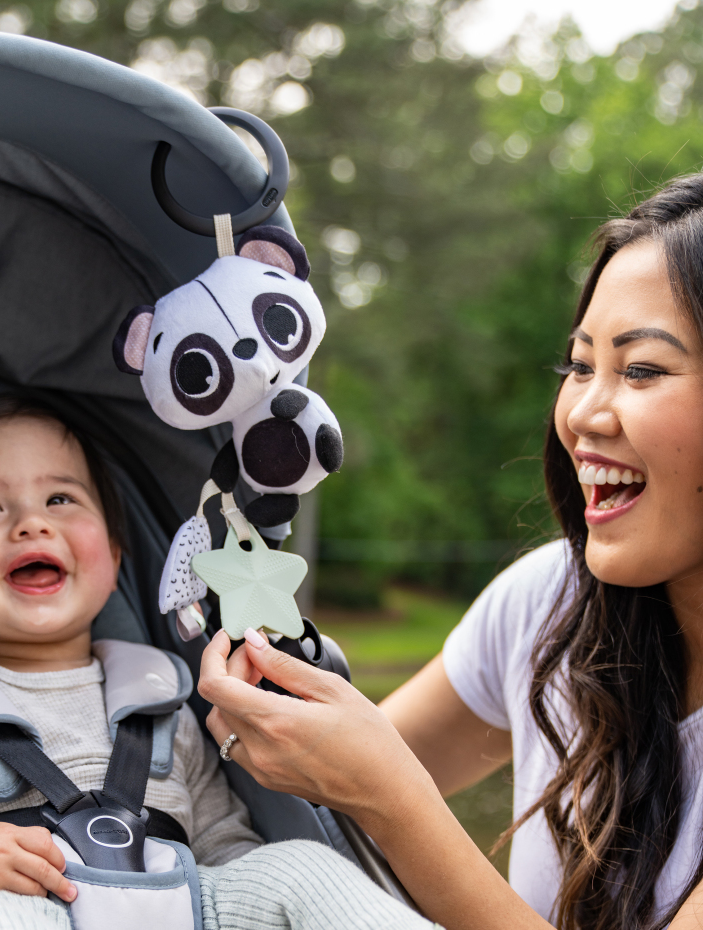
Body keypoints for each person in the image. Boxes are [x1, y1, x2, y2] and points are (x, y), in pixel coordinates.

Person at [199, 173, 703, 930]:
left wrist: (393, 800)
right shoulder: (549, 603)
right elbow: (325, 793)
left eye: (640, 369)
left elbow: (382, 787)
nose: (583, 414)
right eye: (579, 364)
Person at [0, 393, 435, 930]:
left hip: (183, 902)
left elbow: (220, 834)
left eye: (60, 497)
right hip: (30, 904)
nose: (31, 523)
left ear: (114, 561)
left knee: (300, 868)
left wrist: (251, 886)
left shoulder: (157, 697)